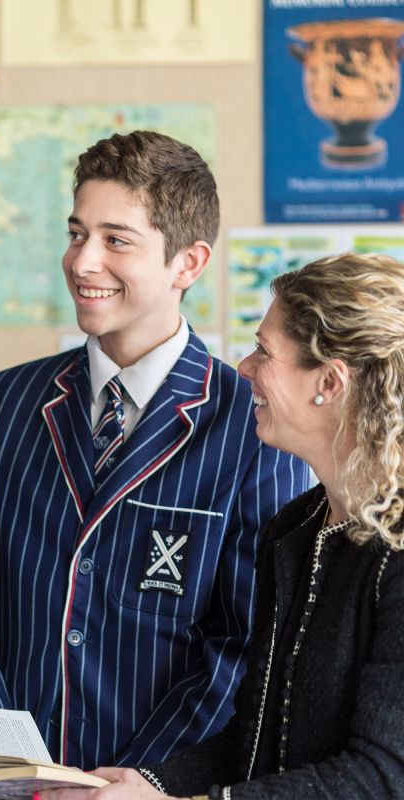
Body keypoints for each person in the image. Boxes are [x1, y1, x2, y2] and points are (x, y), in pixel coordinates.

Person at [0, 130, 310, 773]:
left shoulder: (251, 420)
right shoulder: (8, 401)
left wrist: (139, 780)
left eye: (116, 240)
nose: (82, 261)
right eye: (77, 234)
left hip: (158, 786)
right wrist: (6, 764)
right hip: (10, 784)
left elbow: (246, 641)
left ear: (188, 263)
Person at [38, 252, 404, 800]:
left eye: (265, 350)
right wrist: (148, 782)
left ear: (328, 381)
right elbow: (251, 739)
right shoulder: (295, 529)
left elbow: (380, 777)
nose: (245, 368)